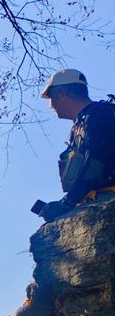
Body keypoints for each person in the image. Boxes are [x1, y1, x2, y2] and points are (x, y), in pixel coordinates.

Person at [38, 69, 115, 222]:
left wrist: (68, 202)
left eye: (51, 97)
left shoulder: (98, 115)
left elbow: (95, 163)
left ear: (61, 95)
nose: (51, 105)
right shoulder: (82, 123)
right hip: (95, 195)